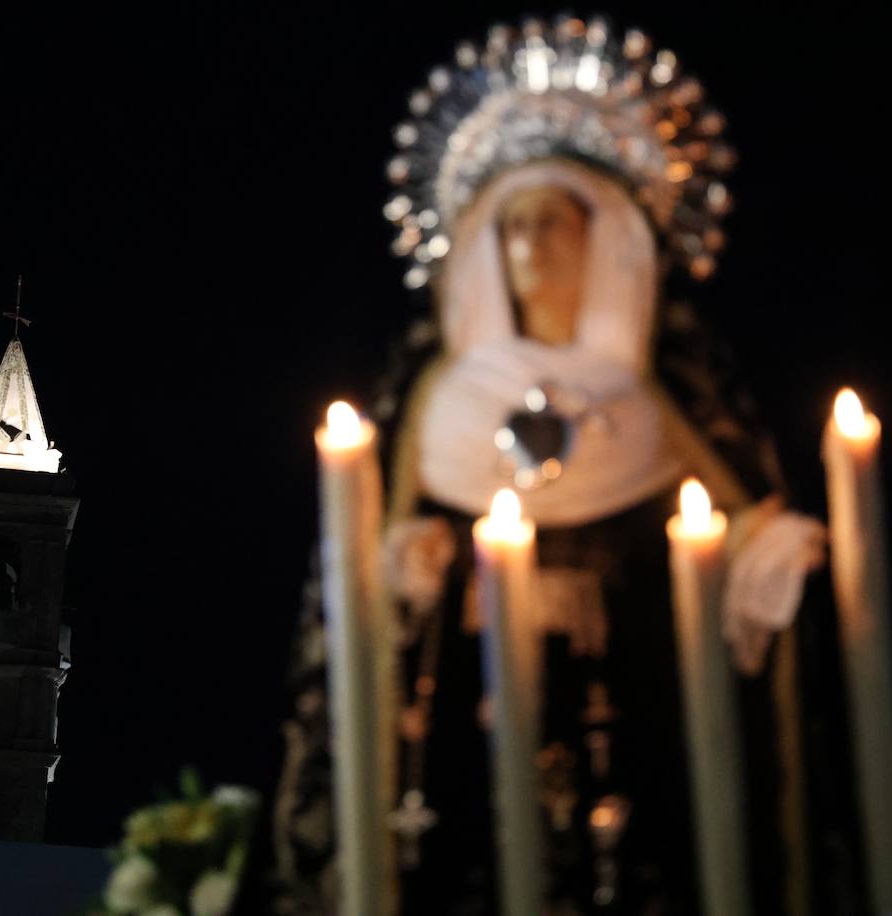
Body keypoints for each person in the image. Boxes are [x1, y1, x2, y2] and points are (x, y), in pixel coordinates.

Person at [276, 15, 826, 914]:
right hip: (465, 718)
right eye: (513, 225)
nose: (530, 245)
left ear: (606, 241)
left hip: (638, 704)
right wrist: (398, 573)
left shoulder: (648, 391)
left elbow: (736, 510)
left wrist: (762, 556)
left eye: (554, 222)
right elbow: (378, 541)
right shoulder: (442, 393)